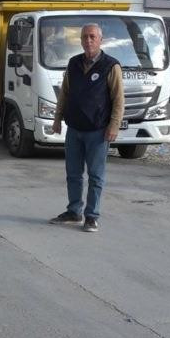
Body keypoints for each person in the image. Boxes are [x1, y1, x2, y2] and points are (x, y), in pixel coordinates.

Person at [48, 23, 124, 233]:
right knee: (73, 174)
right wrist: (57, 119)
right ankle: (74, 212)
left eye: (92, 37)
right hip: (74, 129)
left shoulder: (111, 66)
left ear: (100, 40)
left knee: (96, 176)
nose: (88, 40)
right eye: (85, 37)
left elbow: (118, 100)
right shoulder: (73, 63)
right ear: (81, 40)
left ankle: (91, 216)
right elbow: (65, 93)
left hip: (98, 132)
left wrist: (114, 125)